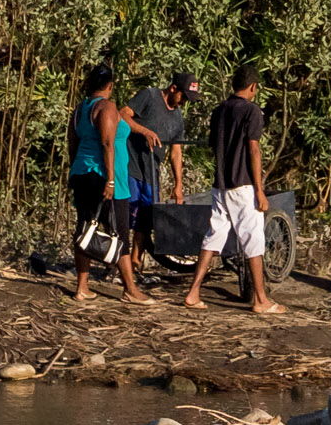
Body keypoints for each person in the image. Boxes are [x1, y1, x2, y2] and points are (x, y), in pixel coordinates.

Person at [182, 65, 284, 314]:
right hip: (242, 184)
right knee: (253, 239)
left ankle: (194, 292)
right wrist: (259, 190)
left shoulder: (219, 111)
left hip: (221, 184)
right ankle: (260, 299)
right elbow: (253, 149)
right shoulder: (251, 111)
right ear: (253, 87)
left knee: (214, 235)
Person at [67, 66, 152, 304]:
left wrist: (73, 171)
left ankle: (82, 287)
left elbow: (72, 143)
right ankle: (130, 289)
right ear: (110, 86)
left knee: (86, 228)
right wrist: (111, 179)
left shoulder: (79, 109)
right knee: (120, 232)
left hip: (83, 172)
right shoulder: (107, 107)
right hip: (104, 177)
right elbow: (107, 143)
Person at [125, 72, 197, 207]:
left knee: (148, 221)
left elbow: (176, 152)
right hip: (131, 169)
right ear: (173, 89)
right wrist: (143, 131)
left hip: (151, 175)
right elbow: (122, 114)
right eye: (183, 97)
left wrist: (178, 185)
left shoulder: (178, 119)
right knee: (128, 217)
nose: (183, 102)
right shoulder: (149, 96)